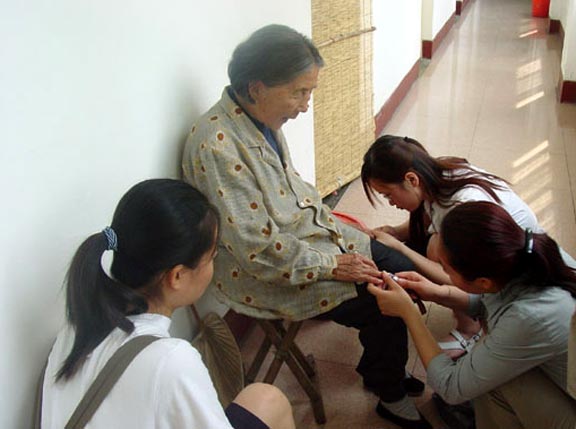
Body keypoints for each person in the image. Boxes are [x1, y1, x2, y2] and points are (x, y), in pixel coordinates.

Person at [183, 24, 431, 428]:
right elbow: (255, 250)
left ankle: (379, 368)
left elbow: (294, 194)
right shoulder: (217, 145)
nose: (305, 106)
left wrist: (339, 237)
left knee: (397, 268)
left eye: (309, 92)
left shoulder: (257, 118)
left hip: (303, 240)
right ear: (257, 87)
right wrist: (332, 263)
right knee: (383, 296)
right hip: (263, 269)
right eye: (299, 92)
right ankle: (389, 391)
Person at [41, 179, 295, 429]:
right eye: (212, 257)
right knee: (269, 400)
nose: (213, 265)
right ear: (177, 276)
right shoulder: (171, 360)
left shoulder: (74, 330)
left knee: (265, 400)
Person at [361, 134, 576, 359]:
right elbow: (429, 214)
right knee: (434, 244)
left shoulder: (463, 205)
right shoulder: (443, 172)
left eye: (388, 195)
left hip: (521, 273)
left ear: (412, 179)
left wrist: (399, 249)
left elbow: (449, 380)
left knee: (435, 248)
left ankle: (470, 330)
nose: (391, 203)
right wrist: (395, 232)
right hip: (531, 258)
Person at [368, 201, 576, 429]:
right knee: (487, 372)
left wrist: (409, 314)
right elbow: (491, 298)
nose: (443, 273)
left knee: (488, 379)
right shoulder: (524, 255)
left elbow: (450, 386)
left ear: (483, 281)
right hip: (559, 372)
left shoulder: (529, 317)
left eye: (446, 269)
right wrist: (438, 292)